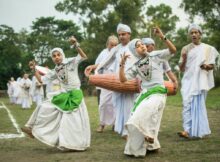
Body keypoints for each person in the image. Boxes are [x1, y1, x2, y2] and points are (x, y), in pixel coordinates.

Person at [21, 36, 91, 151]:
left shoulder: (70, 62)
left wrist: (76, 44)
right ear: (52, 58)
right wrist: (34, 70)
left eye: (58, 55)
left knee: (70, 122)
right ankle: (31, 128)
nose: (57, 57)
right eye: (54, 56)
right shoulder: (55, 70)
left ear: (62, 55)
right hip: (64, 94)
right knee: (43, 106)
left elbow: (83, 56)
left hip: (75, 95)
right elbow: (41, 80)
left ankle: (73, 144)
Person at [119, 34, 176, 157]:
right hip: (145, 95)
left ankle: (148, 134)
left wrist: (163, 37)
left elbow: (173, 50)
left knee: (142, 115)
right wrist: (122, 65)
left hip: (158, 92)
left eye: (142, 44)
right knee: (144, 117)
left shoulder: (156, 56)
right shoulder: (136, 65)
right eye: (138, 46)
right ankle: (150, 146)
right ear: (135, 51)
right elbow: (123, 79)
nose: (142, 47)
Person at [97, 23, 139, 138]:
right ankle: (122, 129)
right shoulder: (117, 48)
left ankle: (130, 130)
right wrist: (95, 68)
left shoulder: (135, 44)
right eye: (119, 34)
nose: (121, 37)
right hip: (118, 81)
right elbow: (106, 61)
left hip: (132, 81)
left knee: (131, 105)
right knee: (118, 105)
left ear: (129, 34)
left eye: (123, 34)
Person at [178, 24, 219, 138]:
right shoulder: (185, 49)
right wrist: (185, 58)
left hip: (200, 81)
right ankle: (187, 129)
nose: (194, 34)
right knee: (186, 104)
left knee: (198, 105)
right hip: (188, 80)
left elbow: (212, 66)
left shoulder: (207, 49)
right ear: (189, 35)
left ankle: (193, 131)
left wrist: (206, 66)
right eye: (191, 33)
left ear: (200, 34)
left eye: (196, 32)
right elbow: (181, 69)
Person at [85, 35, 119, 132]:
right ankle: (102, 124)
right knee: (103, 103)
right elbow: (99, 65)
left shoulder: (119, 53)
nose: (113, 47)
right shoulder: (103, 53)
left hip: (117, 80)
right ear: (107, 44)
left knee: (116, 103)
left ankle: (116, 124)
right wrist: (92, 67)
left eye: (115, 45)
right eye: (111, 45)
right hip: (105, 81)